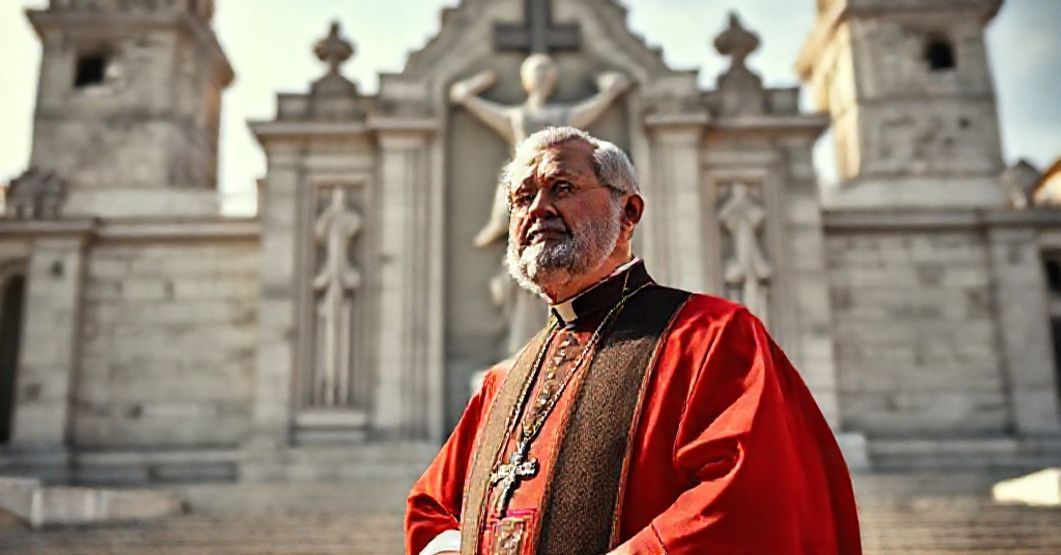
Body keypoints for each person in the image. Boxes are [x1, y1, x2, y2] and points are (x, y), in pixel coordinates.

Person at [405, 126, 861, 555]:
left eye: (562, 188)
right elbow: (432, 506)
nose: (538, 208)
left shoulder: (712, 338)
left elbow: (753, 490)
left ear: (628, 213)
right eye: (522, 197)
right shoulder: (502, 383)